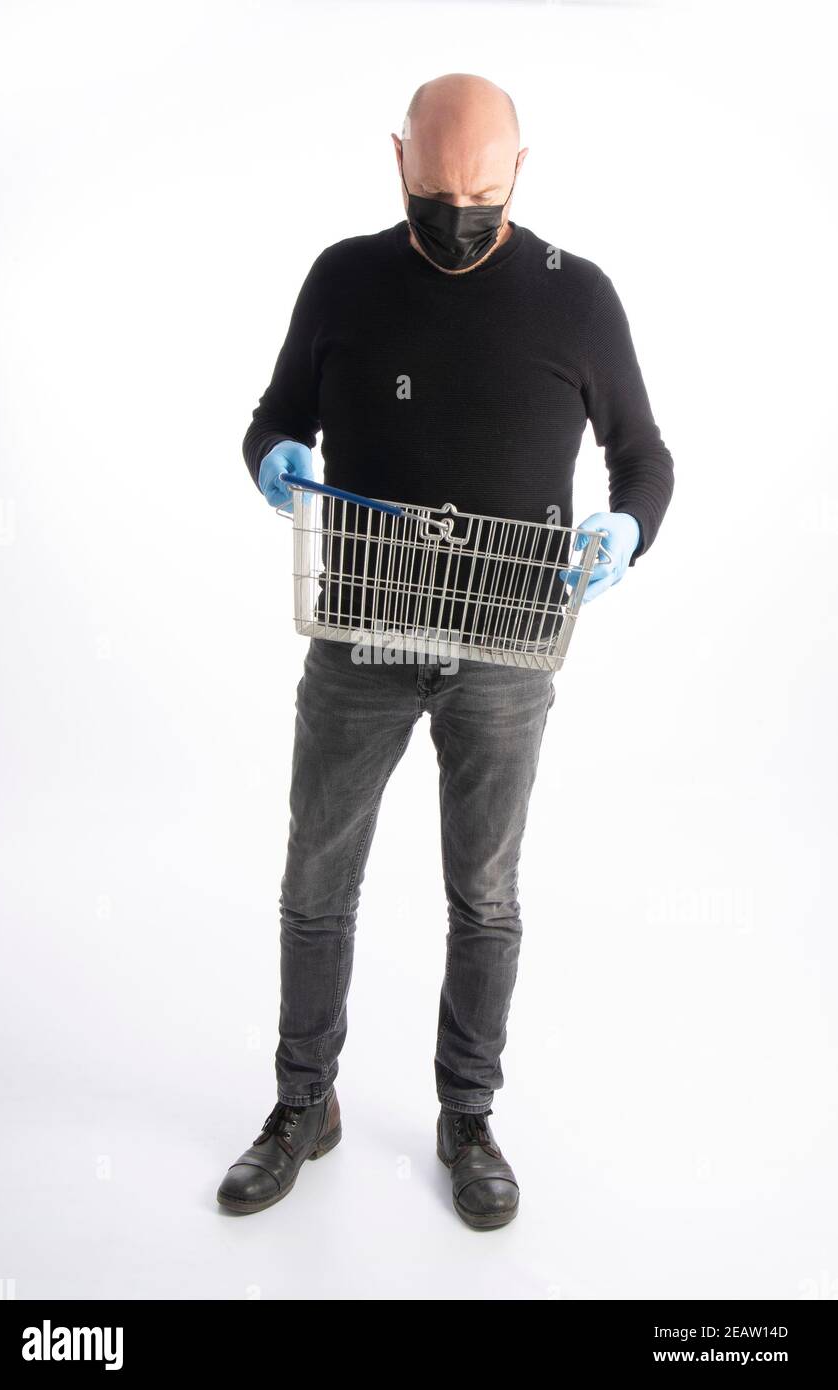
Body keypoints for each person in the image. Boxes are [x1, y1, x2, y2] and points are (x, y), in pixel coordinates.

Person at [217, 73, 674, 1230]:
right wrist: (269, 457)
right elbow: (274, 414)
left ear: (520, 168)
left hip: (509, 647)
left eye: (479, 188)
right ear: (396, 162)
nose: (455, 210)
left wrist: (625, 527)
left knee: (484, 896)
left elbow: (643, 458)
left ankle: (466, 1117)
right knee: (315, 883)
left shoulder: (579, 299)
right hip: (360, 631)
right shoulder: (345, 277)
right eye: (433, 187)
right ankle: (299, 1104)